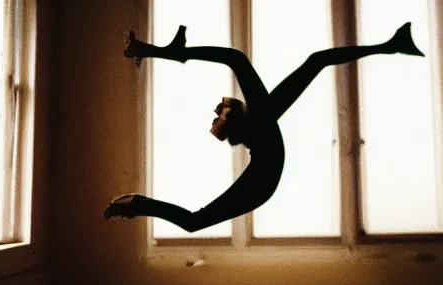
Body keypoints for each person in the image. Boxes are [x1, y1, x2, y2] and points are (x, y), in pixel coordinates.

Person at [104, 23, 424, 232]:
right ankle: (162, 53)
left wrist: (386, 47)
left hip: (264, 178)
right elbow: (239, 60)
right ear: (242, 118)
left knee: (193, 221)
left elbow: (315, 61)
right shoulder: (262, 120)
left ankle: (138, 206)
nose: (230, 101)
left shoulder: (264, 118)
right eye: (230, 108)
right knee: (194, 221)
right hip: (263, 181)